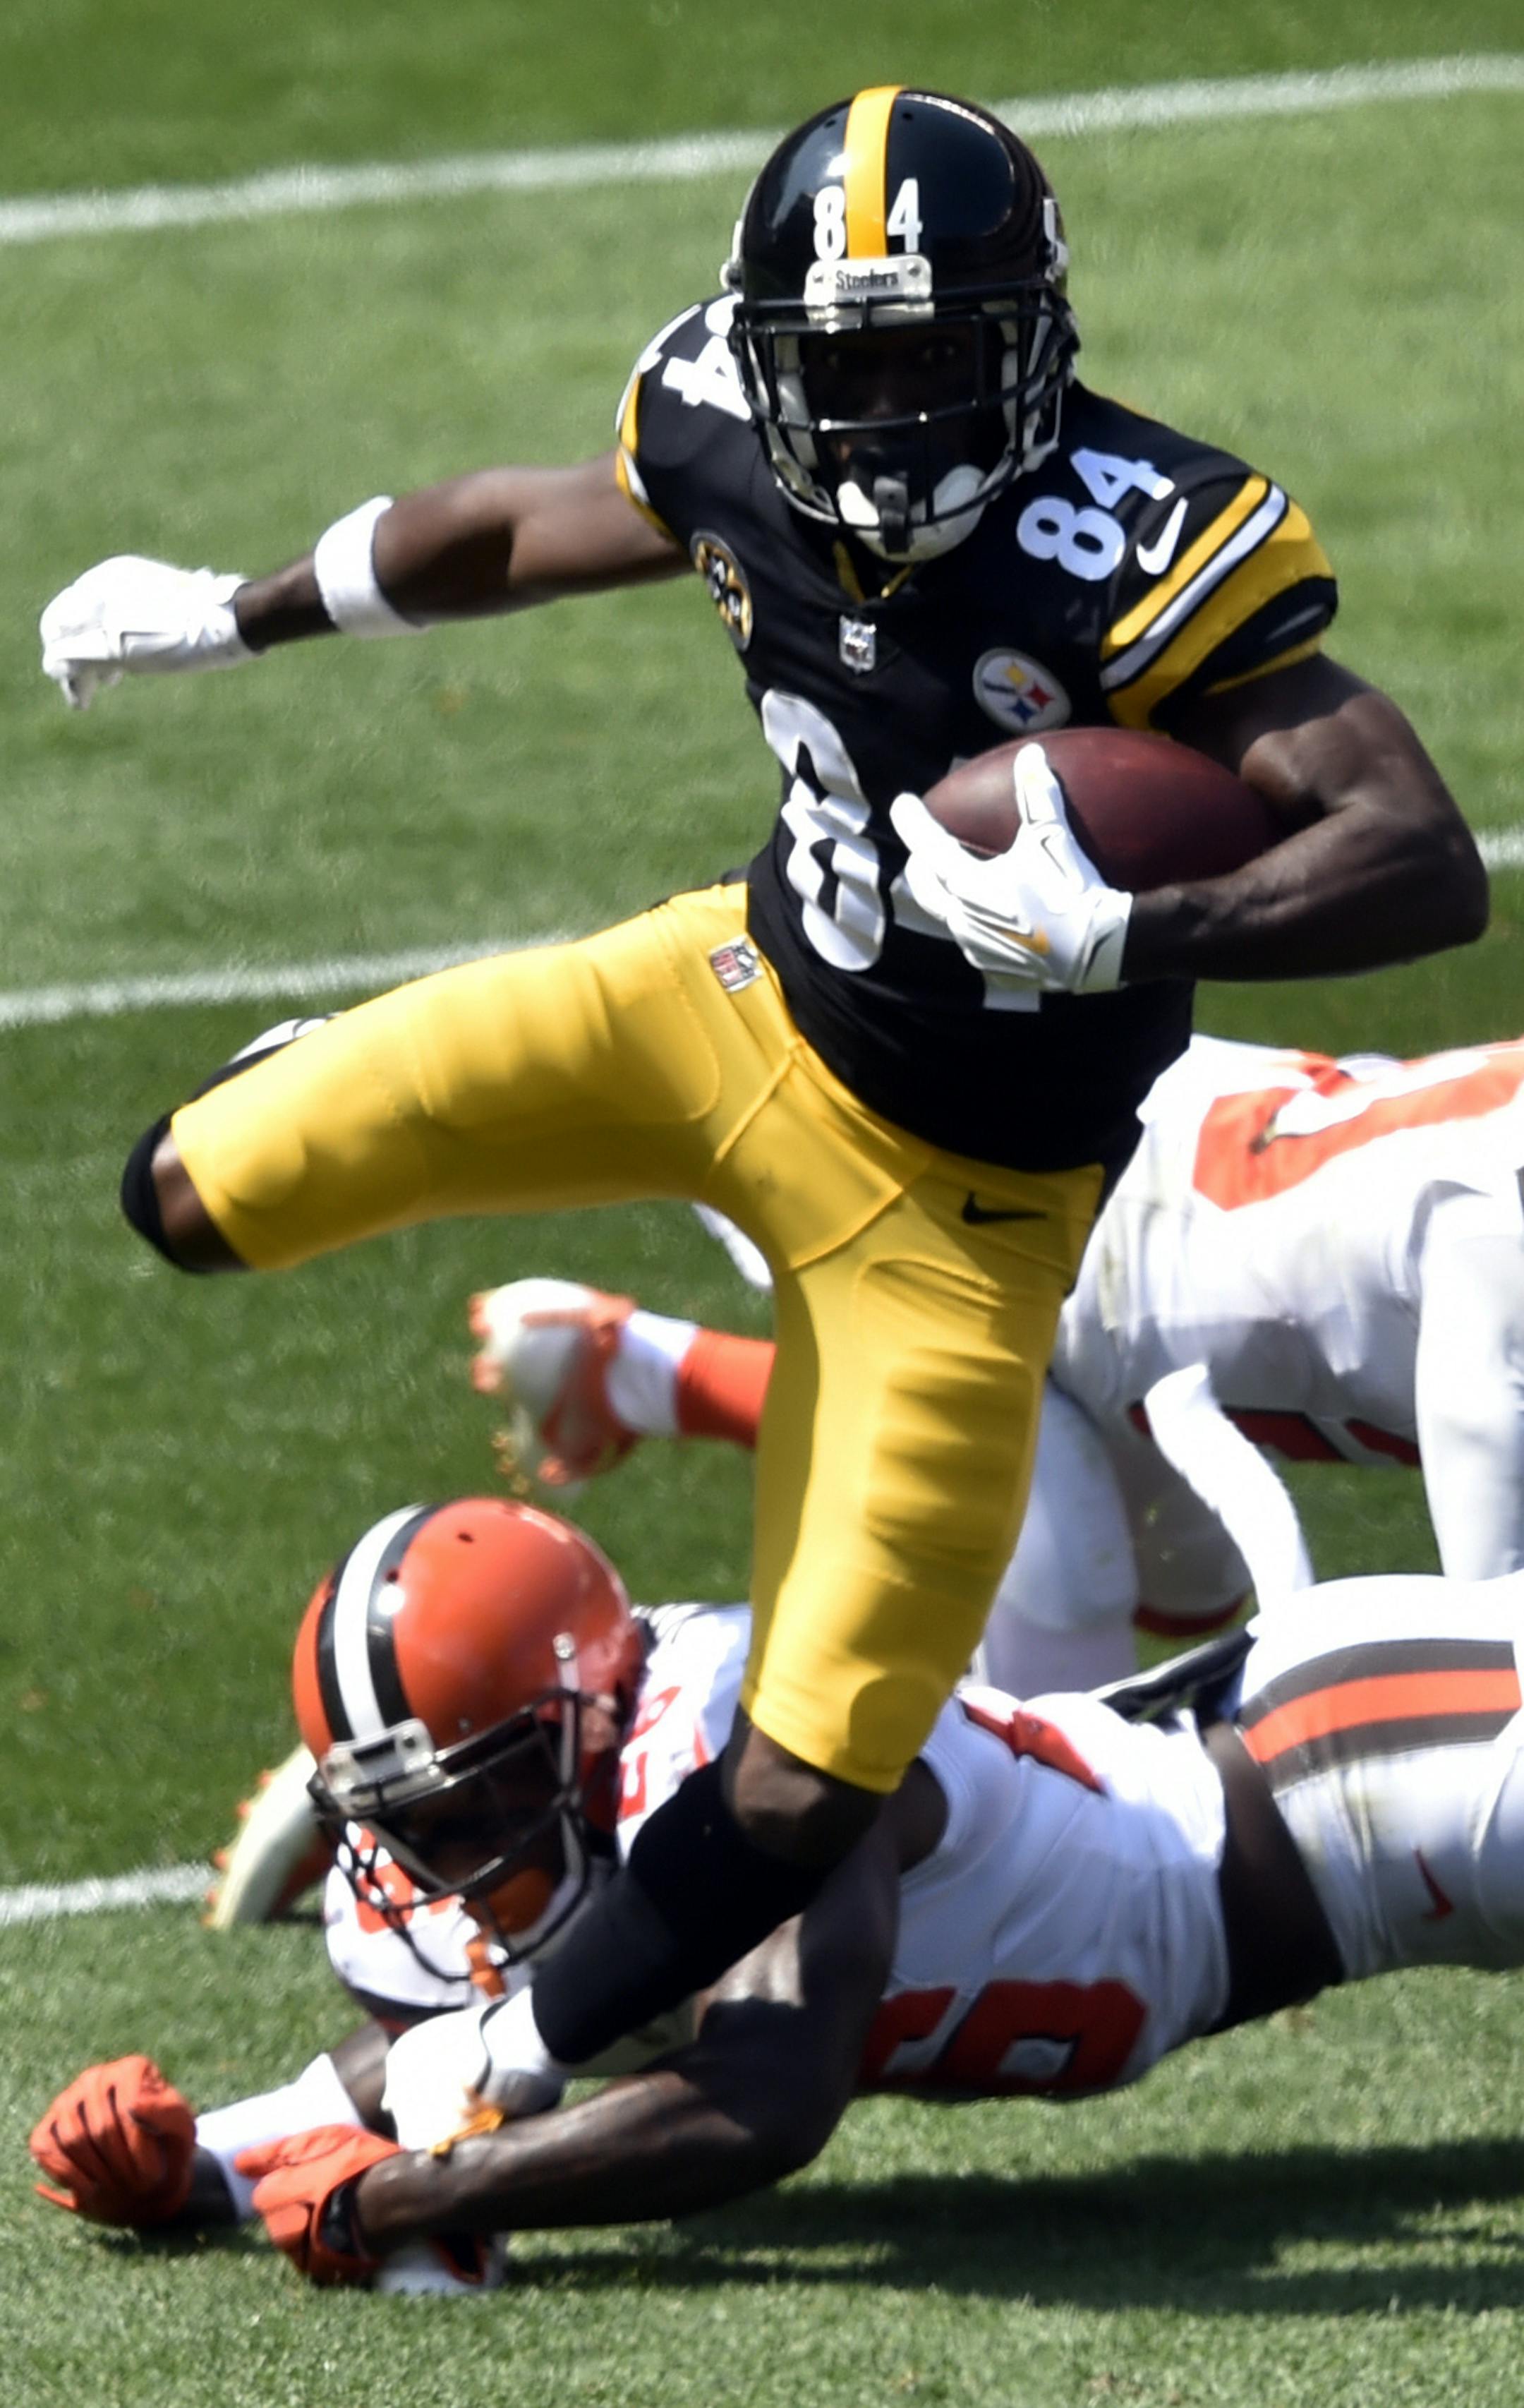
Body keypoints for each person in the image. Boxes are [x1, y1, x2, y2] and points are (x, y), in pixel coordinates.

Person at [93, 89, 1482, 2098]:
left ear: (1030, 341)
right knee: (182, 1192)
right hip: (730, 1000)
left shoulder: (1144, 539)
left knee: (815, 1769)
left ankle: (495, 2045)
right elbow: (516, 524)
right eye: (846, 368)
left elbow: (1417, 852)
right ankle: (331, 1075)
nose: (889, 416)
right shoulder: (730, 428)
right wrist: (241, 607)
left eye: (931, 359)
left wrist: (1137, 930)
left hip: (969, 1220)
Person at [30, 1410, 1524, 2291]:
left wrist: (413, 2199)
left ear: (577, 1720)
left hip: (1365, 1782)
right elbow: (460, 2057)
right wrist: (195, 2163)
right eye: (408, 1819)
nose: (442, 1854)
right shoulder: (580, 1782)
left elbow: (762, 2093)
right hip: (1310, 1804)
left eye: (468, 1799)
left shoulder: (739, 1743)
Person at [471, 1025, 1524, 1689]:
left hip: (1177, 1140)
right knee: (1063, 1783)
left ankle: (632, 1369)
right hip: (1038, 1261)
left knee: (1196, 1596)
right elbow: (1499, 1663)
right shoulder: (1498, 1252)